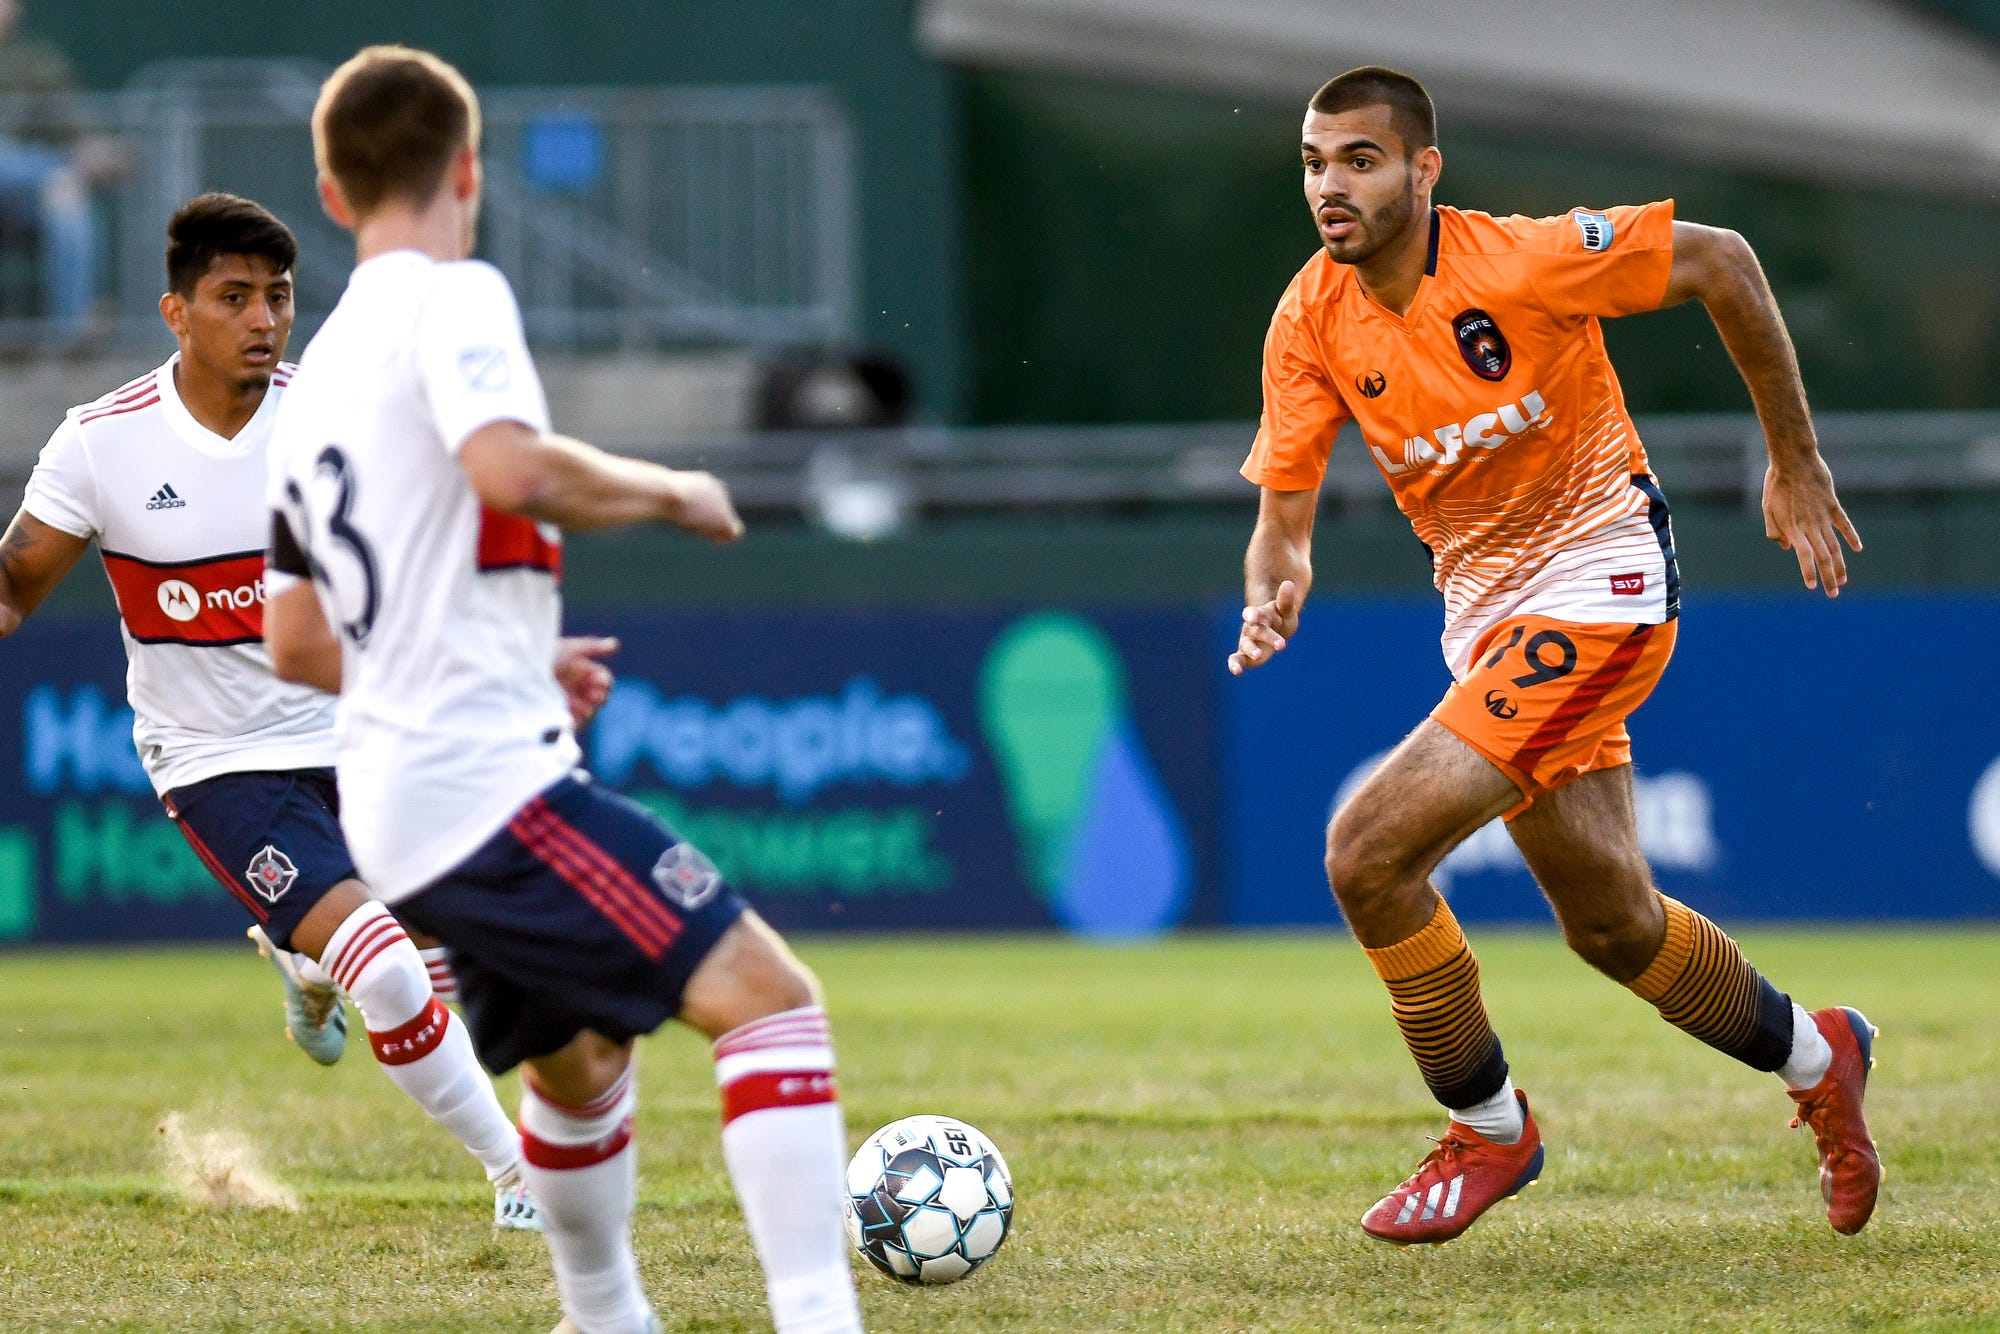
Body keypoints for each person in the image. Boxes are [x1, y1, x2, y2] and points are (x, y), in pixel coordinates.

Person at [263, 47, 864, 1334]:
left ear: (328, 188)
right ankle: (820, 1316)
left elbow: (298, 637)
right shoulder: (453, 294)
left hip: (398, 797)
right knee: (770, 1003)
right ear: (468, 168)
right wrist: (674, 489)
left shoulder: (307, 387)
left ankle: (600, 1317)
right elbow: (509, 467)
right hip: (479, 785)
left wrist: (497, 650)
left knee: (582, 1061)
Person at [1228, 66, 1879, 1245]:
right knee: (1612, 923)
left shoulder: (1523, 260)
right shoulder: (1308, 315)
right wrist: (1277, 573)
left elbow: (1722, 260)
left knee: (1366, 851)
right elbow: (1281, 508)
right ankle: (1815, 1051)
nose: (1330, 184)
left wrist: (1791, 459)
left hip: (1601, 582)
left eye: (1359, 160)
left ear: (1423, 171)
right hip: (1485, 616)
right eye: (1315, 162)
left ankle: (1486, 1128)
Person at [0, 190, 565, 1231]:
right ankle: (518, 1176)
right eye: (233, 297)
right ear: (176, 312)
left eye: (278, 296)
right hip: (217, 763)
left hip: (360, 730)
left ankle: (308, 954)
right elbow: (11, 588)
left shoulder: (336, 416)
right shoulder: (99, 444)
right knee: (389, 970)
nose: (262, 319)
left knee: (478, 950)